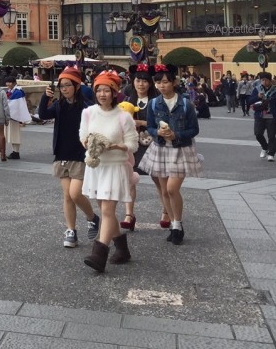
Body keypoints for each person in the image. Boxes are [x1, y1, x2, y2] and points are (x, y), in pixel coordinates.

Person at [79, 70, 138, 272]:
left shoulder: (123, 117)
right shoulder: (88, 113)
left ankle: (99, 254)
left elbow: (133, 143)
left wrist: (117, 146)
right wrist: (87, 142)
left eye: (107, 90)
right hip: (96, 166)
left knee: (106, 211)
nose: (102, 94)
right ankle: (122, 249)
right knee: (107, 212)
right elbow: (82, 135)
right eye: (99, 90)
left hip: (115, 166)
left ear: (114, 92)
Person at [138, 63, 201, 245]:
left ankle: (178, 222)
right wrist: (156, 132)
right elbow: (150, 126)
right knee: (165, 190)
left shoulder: (185, 104)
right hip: (160, 148)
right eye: (158, 83)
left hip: (180, 149)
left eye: (165, 82)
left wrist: (176, 135)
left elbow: (194, 129)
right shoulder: (154, 103)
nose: (161, 86)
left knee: (173, 189)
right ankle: (175, 225)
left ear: (173, 82)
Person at [37, 67, 99, 249]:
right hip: (62, 154)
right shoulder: (58, 105)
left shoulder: (87, 107)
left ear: (76, 86)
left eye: (67, 85)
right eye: (61, 86)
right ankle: (71, 230)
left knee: (75, 193)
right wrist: (44, 97)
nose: (64, 89)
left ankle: (92, 217)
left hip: (79, 154)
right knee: (67, 196)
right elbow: (43, 115)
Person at [120, 64, 168, 232]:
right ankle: (129, 214)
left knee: (158, 179)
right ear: (133, 82)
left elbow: (162, 123)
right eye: (138, 80)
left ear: (150, 83)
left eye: (144, 81)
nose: (141, 84)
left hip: (153, 143)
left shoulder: (157, 101)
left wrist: (140, 123)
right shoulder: (127, 101)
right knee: (130, 179)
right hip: (133, 145)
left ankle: (166, 210)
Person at [250, 71, 276, 162]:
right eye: (262, 80)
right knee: (258, 134)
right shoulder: (257, 89)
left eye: (266, 80)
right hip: (259, 115)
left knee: (271, 135)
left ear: (270, 80)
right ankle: (265, 147)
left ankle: (271, 153)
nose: (264, 82)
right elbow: (249, 101)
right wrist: (257, 97)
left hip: (272, 116)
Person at [4, 76, 32, 159]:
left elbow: (17, 105)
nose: (8, 84)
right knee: (12, 135)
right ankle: (14, 151)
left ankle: (16, 152)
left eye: (9, 82)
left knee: (15, 135)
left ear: (14, 83)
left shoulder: (18, 92)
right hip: (11, 116)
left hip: (15, 117)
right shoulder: (10, 92)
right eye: (7, 82)